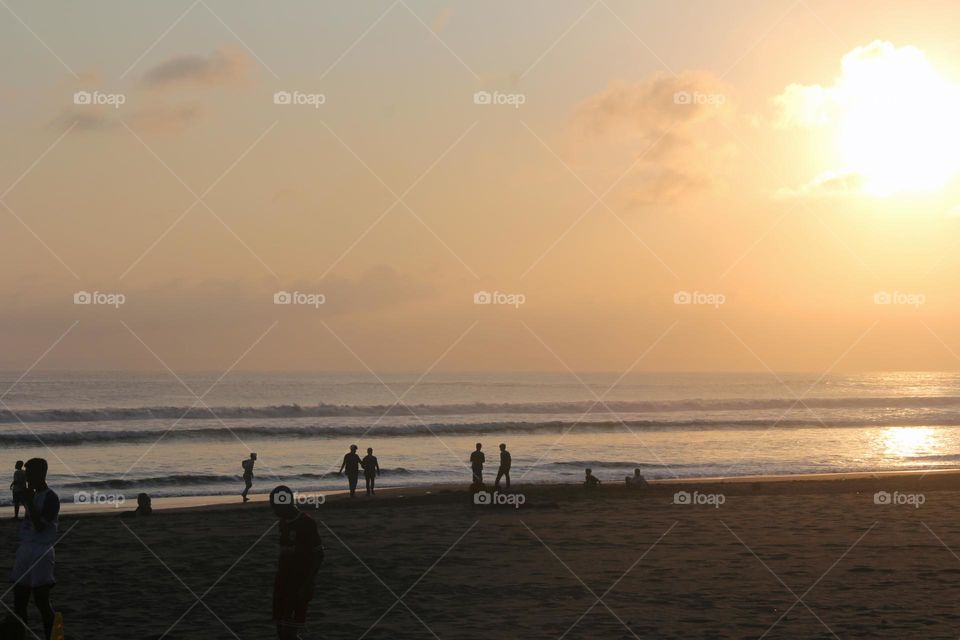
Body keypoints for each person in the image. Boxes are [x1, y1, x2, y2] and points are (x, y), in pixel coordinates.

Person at [10, 458, 59, 640]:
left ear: (40, 475)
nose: (27, 478)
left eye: (29, 474)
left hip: (41, 551)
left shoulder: (51, 497)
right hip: (26, 548)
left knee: (41, 600)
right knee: (19, 599)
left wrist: (29, 502)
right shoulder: (33, 494)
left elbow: (40, 526)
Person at [270, 486, 322, 640]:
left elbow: (319, 554)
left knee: (290, 631)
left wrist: (309, 582)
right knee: (280, 626)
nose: (272, 509)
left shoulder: (307, 523)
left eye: (274, 505)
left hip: (300, 581)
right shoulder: (283, 523)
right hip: (282, 579)